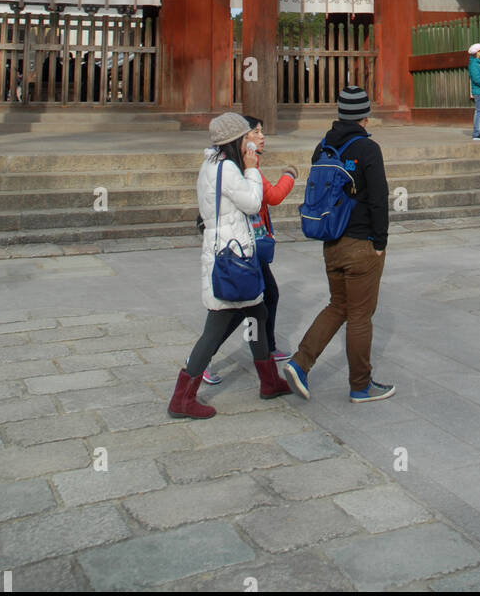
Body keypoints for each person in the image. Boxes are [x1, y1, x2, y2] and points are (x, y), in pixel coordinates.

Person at [284, 85, 394, 404]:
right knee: (360, 315)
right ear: (365, 115)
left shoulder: (322, 147)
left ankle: (300, 363)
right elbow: (379, 198)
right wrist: (380, 241)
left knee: (338, 306)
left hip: (330, 242)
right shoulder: (367, 149)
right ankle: (361, 385)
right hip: (361, 243)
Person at [167, 112, 280, 420]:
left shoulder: (211, 164)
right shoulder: (229, 169)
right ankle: (182, 397)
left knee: (258, 311)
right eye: (247, 137)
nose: (251, 142)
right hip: (233, 257)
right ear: (235, 140)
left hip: (225, 251)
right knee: (215, 329)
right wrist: (253, 170)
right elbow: (253, 203)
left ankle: (269, 382)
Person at [242, 114, 298, 387]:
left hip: (250, 243)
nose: (262, 136)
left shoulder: (249, 164)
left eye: (262, 131)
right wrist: (290, 175)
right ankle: (201, 363)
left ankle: (267, 350)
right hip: (245, 245)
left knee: (265, 297)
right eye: (255, 132)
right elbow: (273, 196)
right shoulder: (245, 167)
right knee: (238, 309)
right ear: (243, 138)